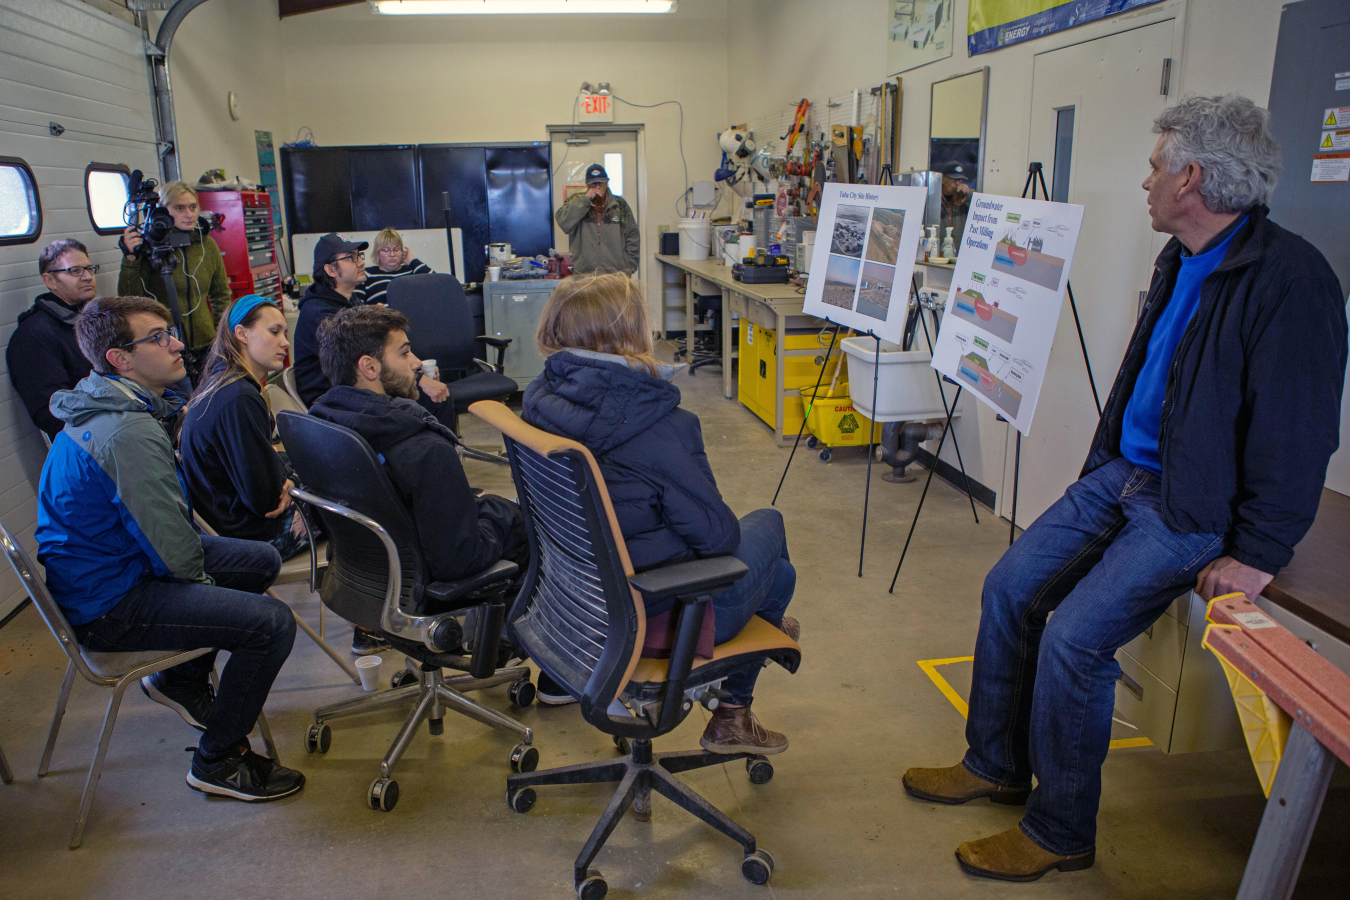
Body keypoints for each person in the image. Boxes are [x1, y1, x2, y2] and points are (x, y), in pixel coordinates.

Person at [902, 95, 1347, 882]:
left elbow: (1300, 432)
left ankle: (1060, 829)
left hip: (1191, 503)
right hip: (1124, 474)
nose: (1145, 183)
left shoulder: (1291, 281)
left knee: (1076, 638)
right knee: (1009, 587)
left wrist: (1259, 552)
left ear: (1193, 178)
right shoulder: (1181, 256)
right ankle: (995, 764)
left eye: (1155, 168)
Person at [37, 295, 305, 801]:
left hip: (112, 568)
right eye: (157, 338)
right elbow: (172, 546)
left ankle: (179, 680)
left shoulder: (116, 404)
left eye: (170, 330)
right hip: (111, 602)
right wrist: (214, 601)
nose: (178, 343)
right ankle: (219, 760)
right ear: (119, 359)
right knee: (270, 624)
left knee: (261, 560)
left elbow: (167, 534)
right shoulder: (127, 432)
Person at [521, 273, 798, 748]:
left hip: (575, 604)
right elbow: (718, 538)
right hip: (652, 614)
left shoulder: (540, 399)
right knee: (772, 539)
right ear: (631, 334)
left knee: (779, 577)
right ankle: (734, 710)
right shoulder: (658, 424)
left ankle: (751, 670)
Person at [307, 305, 528, 602]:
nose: (416, 363)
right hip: (426, 585)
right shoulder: (426, 450)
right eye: (404, 353)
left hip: (366, 581)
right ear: (370, 368)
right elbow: (459, 561)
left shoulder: (321, 424)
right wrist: (504, 517)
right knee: (522, 524)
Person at [179, 295, 311, 561]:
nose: (285, 342)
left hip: (228, 525)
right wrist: (294, 476)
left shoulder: (223, 380)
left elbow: (264, 463)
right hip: (249, 540)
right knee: (349, 501)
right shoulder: (239, 398)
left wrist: (290, 475)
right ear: (241, 333)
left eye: (284, 333)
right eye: (274, 332)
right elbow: (267, 501)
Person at [292, 233, 451, 414]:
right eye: (351, 258)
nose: (360, 262)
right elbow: (362, 356)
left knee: (433, 394)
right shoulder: (319, 313)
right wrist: (418, 378)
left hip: (360, 386)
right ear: (330, 270)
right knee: (430, 399)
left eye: (359, 256)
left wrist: (414, 367)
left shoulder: (351, 301)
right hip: (334, 401)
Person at [119, 181, 231, 380]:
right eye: (179, 208)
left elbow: (221, 295)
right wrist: (130, 258)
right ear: (163, 210)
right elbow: (129, 298)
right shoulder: (150, 246)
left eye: (192, 207)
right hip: (166, 345)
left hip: (207, 344)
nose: (188, 214)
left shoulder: (206, 245)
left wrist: (219, 336)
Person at [7, 239, 97, 440]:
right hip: (89, 443)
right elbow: (51, 413)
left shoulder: (94, 319)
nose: (88, 277)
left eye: (89, 269)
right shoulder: (33, 336)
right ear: (50, 281)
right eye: (75, 271)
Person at [554, 164, 640, 275]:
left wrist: (628, 267)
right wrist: (585, 199)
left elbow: (632, 236)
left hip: (615, 276)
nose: (597, 187)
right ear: (587, 184)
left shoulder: (619, 205)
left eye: (601, 182)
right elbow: (563, 222)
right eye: (593, 184)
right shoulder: (577, 200)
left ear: (607, 182)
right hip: (584, 275)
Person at [360, 227, 431, 305]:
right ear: (378, 252)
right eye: (386, 250)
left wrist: (413, 261)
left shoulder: (412, 271)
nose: (392, 254)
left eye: (396, 249)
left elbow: (438, 287)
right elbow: (356, 308)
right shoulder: (366, 274)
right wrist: (373, 312)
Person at [939, 161, 972, 248]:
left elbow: (980, 204)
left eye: (960, 180)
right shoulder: (934, 200)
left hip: (958, 254)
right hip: (939, 253)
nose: (958, 183)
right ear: (943, 180)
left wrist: (968, 194)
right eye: (954, 179)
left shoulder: (963, 199)